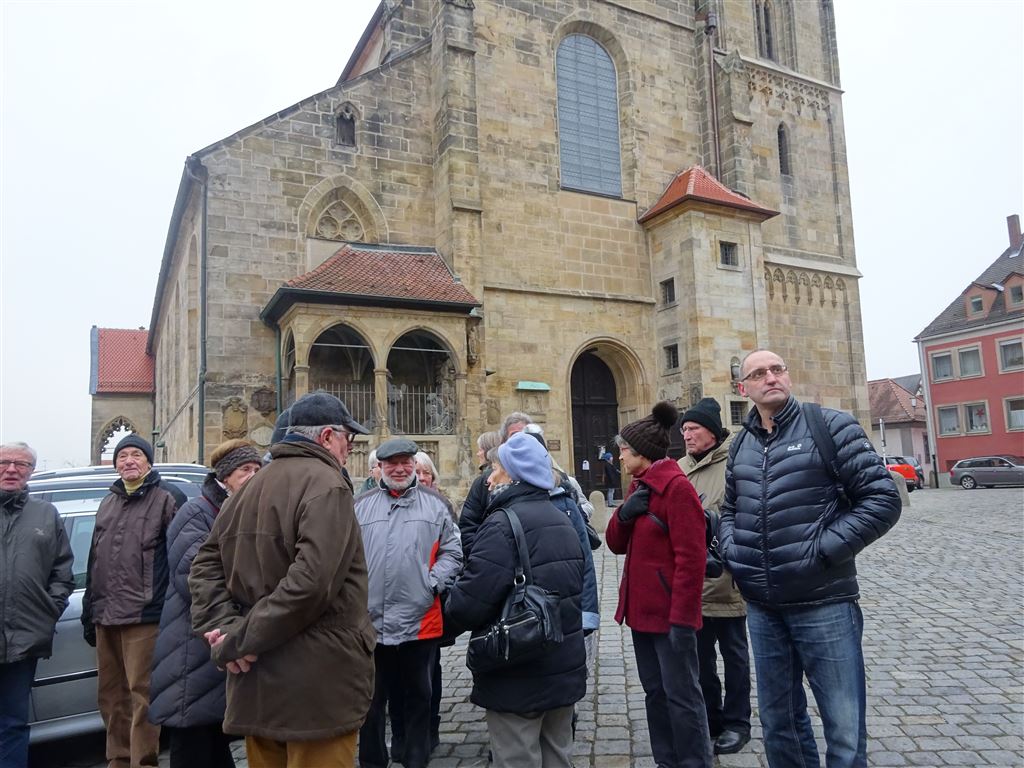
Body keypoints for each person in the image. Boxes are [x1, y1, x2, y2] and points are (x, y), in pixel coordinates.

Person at [718, 350, 902, 768]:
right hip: (764, 608)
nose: (771, 377)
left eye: (778, 369)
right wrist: (733, 550)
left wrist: (822, 550)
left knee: (843, 725)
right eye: (759, 373)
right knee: (779, 722)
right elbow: (730, 509)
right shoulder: (742, 443)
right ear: (743, 387)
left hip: (824, 602)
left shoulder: (830, 425)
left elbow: (882, 499)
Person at [189, 391, 375, 768]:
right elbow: (311, 583)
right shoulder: (328, 484)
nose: (349, 449)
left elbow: (204, 564)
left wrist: (227, 629)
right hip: (316, 690)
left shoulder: (248, 487)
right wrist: (236, 639)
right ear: (326, 437)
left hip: (258, 685)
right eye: (347, 439)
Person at [446, 432, 586, 768]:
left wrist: (438, 621)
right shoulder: (562, 518)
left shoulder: (502, 524)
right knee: (558, 756)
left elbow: (471, 600)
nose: (490, 478)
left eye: (496, 469)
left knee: (516, 758)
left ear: (514, 475)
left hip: (518, 670)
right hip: (562, 665)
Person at [605, 403, 713, 768]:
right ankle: (666, 760)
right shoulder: (639, 486)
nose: (619, 456)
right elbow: (616, 544)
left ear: (642, 454)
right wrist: (624, 512)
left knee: (682, 695)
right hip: (642, 614)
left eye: (623, 450)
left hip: (671, 617)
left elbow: (691, 559)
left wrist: (684, 621)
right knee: (655, 693)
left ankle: (694, 761)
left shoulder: (676, 489)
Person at [149, 439, 263, 768]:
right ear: (225, 476)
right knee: (192, 732)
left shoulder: (242, 510)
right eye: (245, 470)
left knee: (214, 732)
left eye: (257, 469)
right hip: (193, 640)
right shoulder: (196, 511)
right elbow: (191, 575)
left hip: (219, 635)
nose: (253, 476)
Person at [355, 439, 462, 768]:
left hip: (420, 619)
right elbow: (346, 555)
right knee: (371, 701)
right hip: (371, 622)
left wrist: (432, 583)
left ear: (415, 466)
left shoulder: (435, 504)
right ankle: (373, 760)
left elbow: (453, 552)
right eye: (392, 464)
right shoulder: (360, 505)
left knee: (419, 696)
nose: (399, 469)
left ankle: (416, 758)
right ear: (380, 468)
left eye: (405, 463)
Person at [82, 434, 186, 768]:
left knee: (142, 696)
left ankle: (143, 762)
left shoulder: (168, 497)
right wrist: (89, 612)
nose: (129, 460)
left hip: (145, 615)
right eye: (122, 455)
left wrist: (175, 610)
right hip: (105, 615)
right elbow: (94, 560)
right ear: (115, 464)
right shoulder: (108, 502)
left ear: (149, 461)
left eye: (136, 455)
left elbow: (182, 558)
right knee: (111, 696)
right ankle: (118, 760)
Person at [677, 398, 751, 756]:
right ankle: (711, 717)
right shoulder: (678, 467)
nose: (687, 435)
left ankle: (738, 723)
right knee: (700, 659)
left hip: (726, 582)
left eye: (694, 429)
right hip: (690, 584)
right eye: (684, 429)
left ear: (712, 431)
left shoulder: (734, 465)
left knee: (735, 658)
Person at [0, 442, 74, 768]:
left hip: (24, 640)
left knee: (13, 723)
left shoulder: (46, 514)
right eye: (5, 462)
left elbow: (63, 572)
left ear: (31, 471)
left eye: (21, 464)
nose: (12, 469)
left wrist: (48, 612)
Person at [459, 413, 534, 555]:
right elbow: (468, 527)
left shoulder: (552, 479)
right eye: (515, 435)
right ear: (504, 441)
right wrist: (482, 558)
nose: (520, 440)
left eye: (525, 435)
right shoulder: (486, 481)